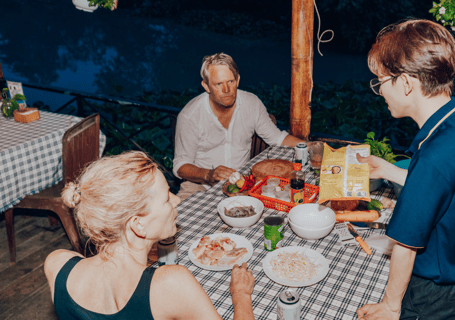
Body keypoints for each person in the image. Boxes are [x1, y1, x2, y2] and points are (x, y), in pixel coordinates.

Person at [355, 19, 455, 320]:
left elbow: (406, 245)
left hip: (434, 298)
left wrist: (390, 305)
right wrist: (388, 170)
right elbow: (446, 187)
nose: (380, 92)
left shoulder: (433, 156)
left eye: (381, 81)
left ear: (407, 83)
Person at [44, 151, 255, 320]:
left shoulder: (57, 264)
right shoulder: (171, 283)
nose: (177, 201)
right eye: (166, 199)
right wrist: (241, 294)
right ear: (137, 224)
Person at [173, 52, 305, 200]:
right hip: (199, 185)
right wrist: (208, 174)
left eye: (230, 81)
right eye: (218, 84)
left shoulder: (252, 103)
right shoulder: (190, 116)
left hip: (243, 183)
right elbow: (181, 166)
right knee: (177, 219)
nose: (226, 90)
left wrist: (310, 145)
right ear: (206, 86)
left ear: (238, 80)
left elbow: (278, 138)